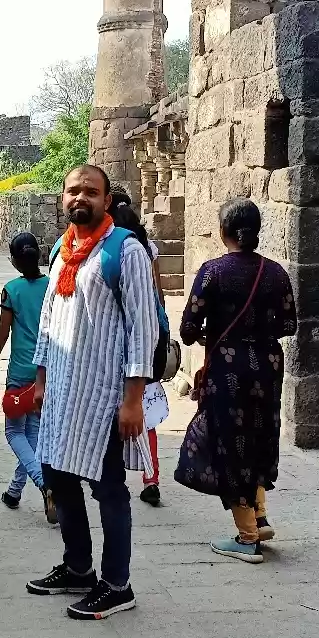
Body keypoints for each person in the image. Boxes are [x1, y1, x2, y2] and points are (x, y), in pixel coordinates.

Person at [27, 164, 159, 620]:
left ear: (106, 199)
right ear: (62, 198)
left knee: (107, 489)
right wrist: (40, 380)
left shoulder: (125, 252)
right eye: (72, 191)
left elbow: (142, 330)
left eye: (90, 191)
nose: (80, 198)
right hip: (63, 390)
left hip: (103, 394)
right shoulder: (62, 250)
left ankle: (117, 584)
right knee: (59, 477)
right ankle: (79, 567)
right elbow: (48, 320)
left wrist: (133, 399)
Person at [175, 199, 297, 563]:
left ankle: (246, 537)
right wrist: (257, 332)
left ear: (224, 231)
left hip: (228, 370)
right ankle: (258, 515)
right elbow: (289, 325)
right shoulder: (276, 273)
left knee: (226, 442)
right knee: (260, 435)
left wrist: (217, 335)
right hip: (267, 366)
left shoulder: (213, 271)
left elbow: (188, 329)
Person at [0, 231, 58, 523]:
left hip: (20, 372)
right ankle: (15, 491)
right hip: (46, 371)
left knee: (14, 432)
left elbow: (3, 332)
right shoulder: (51, 286)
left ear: (14, 261)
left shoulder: (11, 290)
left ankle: (43, 482)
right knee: (33, 435)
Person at [110, 188, 169, 509]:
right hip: (150, 334)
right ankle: (151, 476)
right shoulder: (148, 250)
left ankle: (114, 475)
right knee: (145, 411)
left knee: (113, 410)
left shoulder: (111, 248)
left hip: (117, 339)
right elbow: (158, 296)